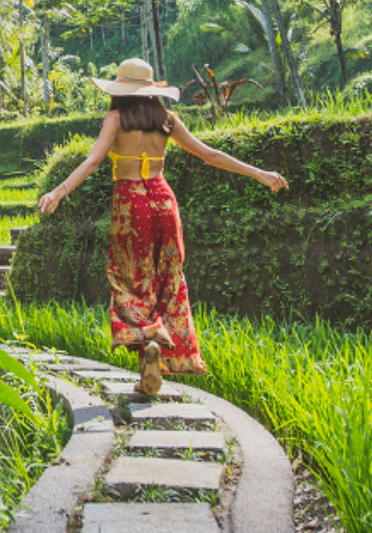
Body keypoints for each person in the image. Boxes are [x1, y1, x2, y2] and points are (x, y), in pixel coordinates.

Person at [36, 59, 287, 394]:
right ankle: (153, 368)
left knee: (130, 278)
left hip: (131, 204)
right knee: (167, 278)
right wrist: (260, 173)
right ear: (152, 90)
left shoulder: (116, 118)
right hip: (164, 202)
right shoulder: (167, 119)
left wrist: (58, 190)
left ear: (120, 90)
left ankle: (149, 342)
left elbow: (93, 160)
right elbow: (210, 154)